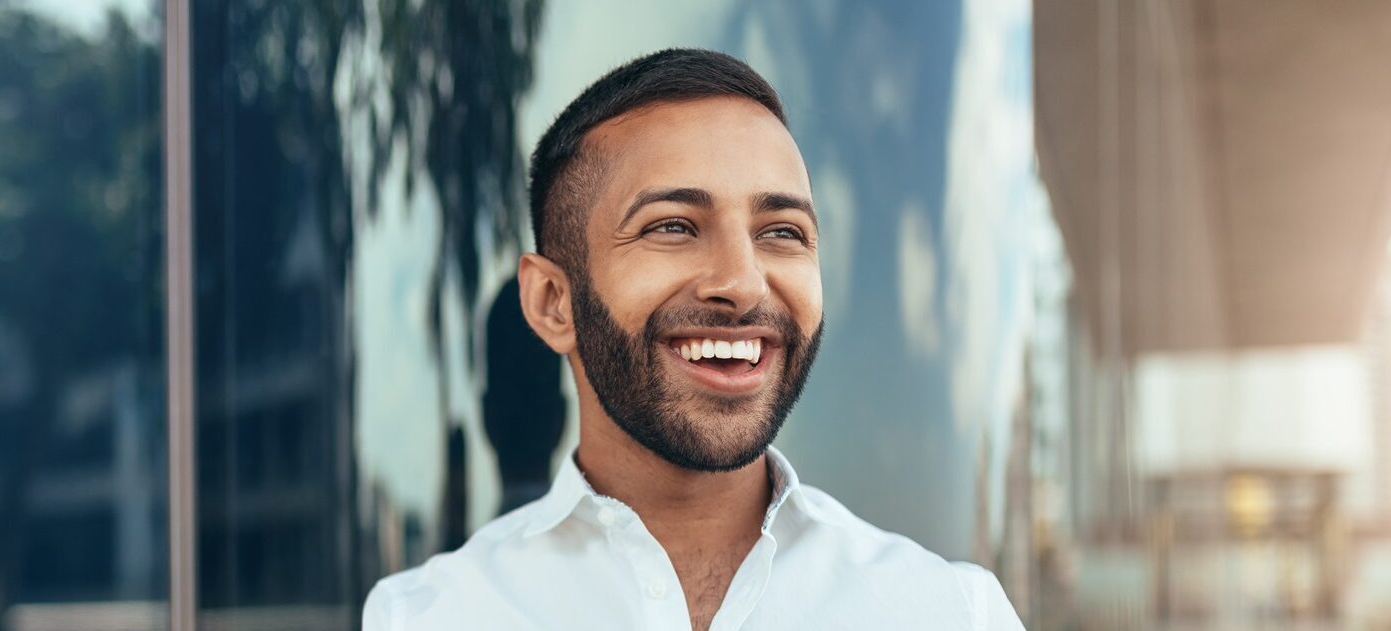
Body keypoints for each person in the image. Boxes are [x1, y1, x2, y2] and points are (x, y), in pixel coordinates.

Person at [363, 48, 1024, 630]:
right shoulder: (425, 617)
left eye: (783, 232)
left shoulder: (950, 613)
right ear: (551, 302)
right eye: (673, 226)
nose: (742, 283)